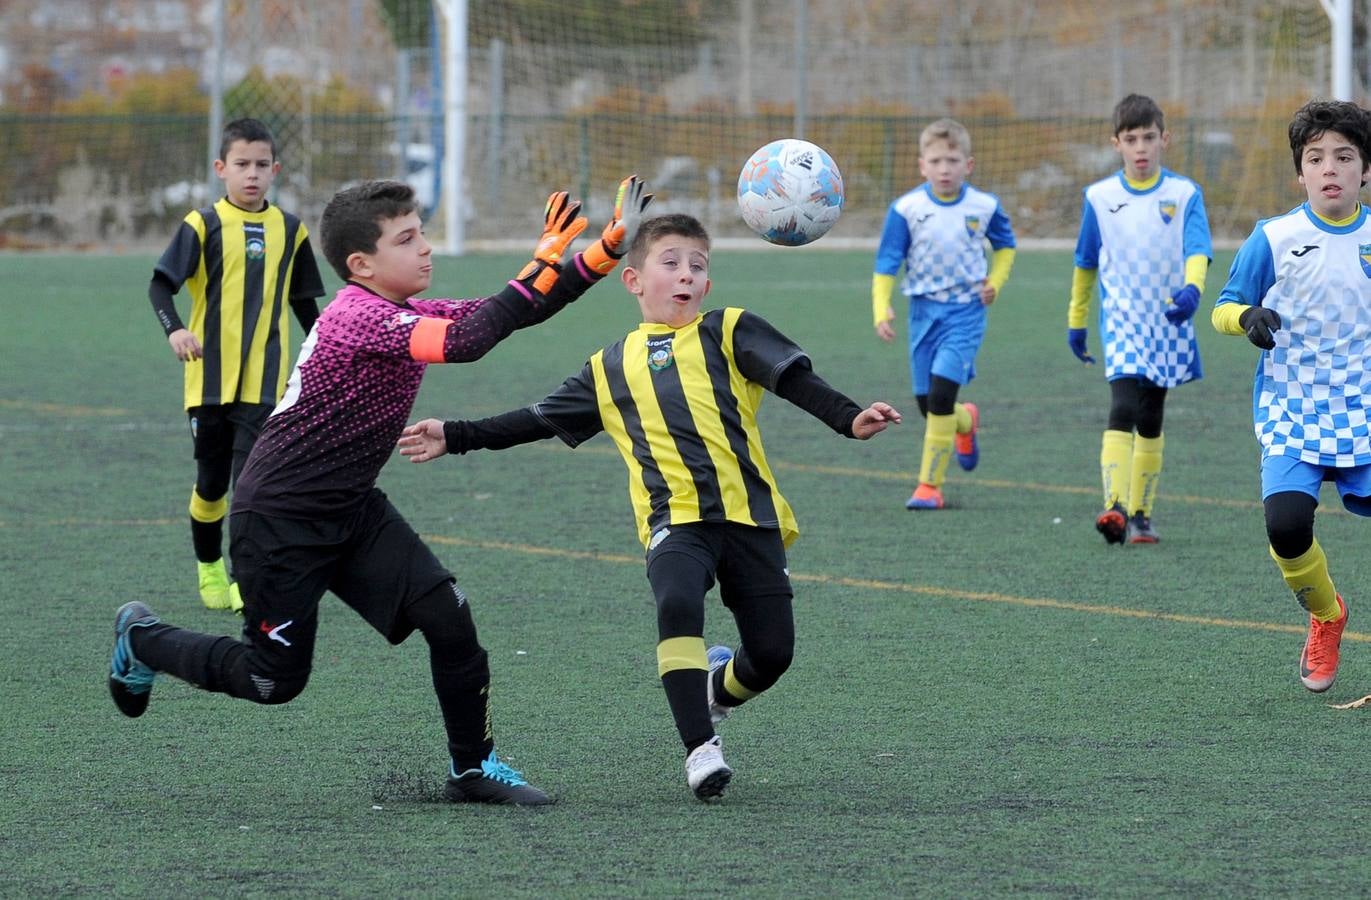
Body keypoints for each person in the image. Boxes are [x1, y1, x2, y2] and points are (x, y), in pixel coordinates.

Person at [109, 175, 654, 806]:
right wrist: (538, 262)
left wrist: (605, 250)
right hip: (281, 517)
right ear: (361, 263)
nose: (425, 248)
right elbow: (467, 342)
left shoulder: (402, 311)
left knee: (448, 617)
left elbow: (506, 314)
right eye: (407, 239)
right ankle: (141, 638)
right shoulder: (355, 316)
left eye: (420, 233)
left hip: (351, 507)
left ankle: (472, 768)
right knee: (272, 680)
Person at [398, 213, 902, 801]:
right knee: (678, 602)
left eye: (698, 266)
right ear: (633, 280)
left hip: (751, 517)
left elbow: (794, 381)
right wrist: (455, 433)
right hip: (675, 521)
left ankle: (715, 691)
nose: (686, 274)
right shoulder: (610, 367)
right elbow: (536, 418)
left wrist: (850, 418)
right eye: (671, 262)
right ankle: (700, 748)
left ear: (707, 286)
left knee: (772, 654)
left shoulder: (730, 329)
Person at [1211, 99, 1371, 693]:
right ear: (1300, 173)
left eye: (1345, 156)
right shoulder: (1273, 237)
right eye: (1316, 157)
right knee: (1285, 525)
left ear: (1365, 170)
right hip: (1292, 410)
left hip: (1365, 410)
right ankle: (1328, 616)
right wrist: (1247, 317)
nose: (1331, 167)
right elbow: (1223, 309)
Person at [148, 117, 325, 612]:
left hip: (265, 384)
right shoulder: (201, 225)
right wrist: (176, 329)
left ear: (276, 170)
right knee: (212, 483)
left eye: (262, 165)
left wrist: (329, 356)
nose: (252, 174)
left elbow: (306, 305)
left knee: (252, 485)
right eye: (242, 165)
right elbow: (160, 285)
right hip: (207, 379)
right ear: (221, 169)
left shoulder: (291, 231)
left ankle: (247, 579)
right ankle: (209, 568)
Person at [1067, 93, 1213, 545]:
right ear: (1117, 144)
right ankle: (1114, 506)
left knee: (1151, 419)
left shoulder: (1184, 194)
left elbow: (1197, 250)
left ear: (1164, 139)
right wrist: (1077, 320)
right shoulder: (1100, 196)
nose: (1141, 147)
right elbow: (1086, 262)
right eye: (1131, 139)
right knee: (1124, 407)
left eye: (1149, 137)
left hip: (1168, 323)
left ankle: (1142, 514)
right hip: (1124, 323)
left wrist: (1193, 290)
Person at [871, 117, 1016, 510]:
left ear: (968, 165)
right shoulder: (906, 209)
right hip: (922, 314)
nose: (944, 169)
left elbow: (1006, 247)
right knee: (927, 404)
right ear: (922, 165)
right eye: (935, 161)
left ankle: (928, 487)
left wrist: (995, 282)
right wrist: (880, 307)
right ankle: (965, 421)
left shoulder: (984, 206)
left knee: (938, 397)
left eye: (952, 160)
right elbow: (887, 263)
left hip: (966, 313)